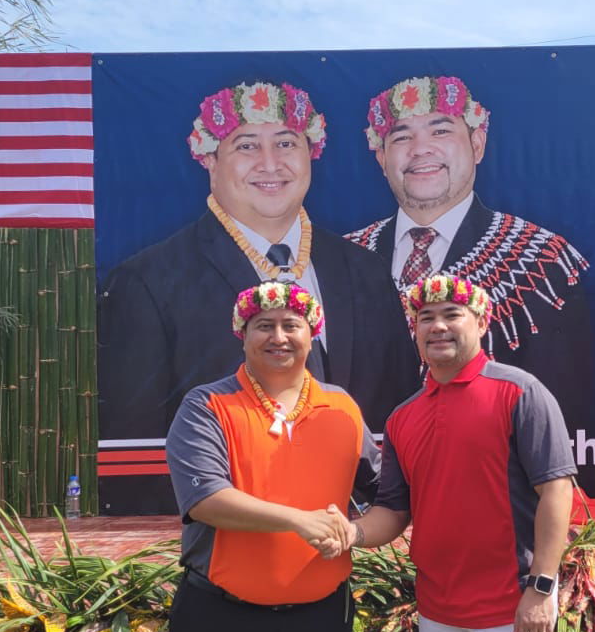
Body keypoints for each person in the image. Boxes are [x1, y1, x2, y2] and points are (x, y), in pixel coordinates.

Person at [99, 80, 417, 514]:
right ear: (209, 160)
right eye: (247, 146)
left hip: (360, 542)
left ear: (312, 154)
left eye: (286, 143)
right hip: (229, 542)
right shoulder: (147, 281)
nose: (271, 164)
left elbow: (401, 414)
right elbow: (135, 453)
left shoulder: (366, 271)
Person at [349, 274, 576, 632]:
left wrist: (542, 589)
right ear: (414, 332)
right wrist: (350, 533)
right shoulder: (402, 417)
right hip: (439, 614)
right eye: (425, 318)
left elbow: (557, 492)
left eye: (452, 315)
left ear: (481, 322)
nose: (437, 326)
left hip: (513, 607)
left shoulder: (520, 392)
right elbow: (394, 512)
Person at [345, 75, 595, 440]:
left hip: (490, 479)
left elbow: (558, 417)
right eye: (401, 137)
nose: (420, 149)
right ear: (382, 158)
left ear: (477, 144)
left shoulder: (542, 261)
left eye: (440, 131)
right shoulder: (344, 258)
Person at [165, 280, 375, 632]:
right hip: (221, 620)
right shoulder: (207, 405)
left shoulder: (342, 408)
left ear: (311, 336)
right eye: (264, 325)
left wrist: (355, 532)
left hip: (321, 622)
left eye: (291, 325)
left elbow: (387, 496)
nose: (278, 337)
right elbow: (207, 499)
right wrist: (300, 521)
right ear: (242, 336)